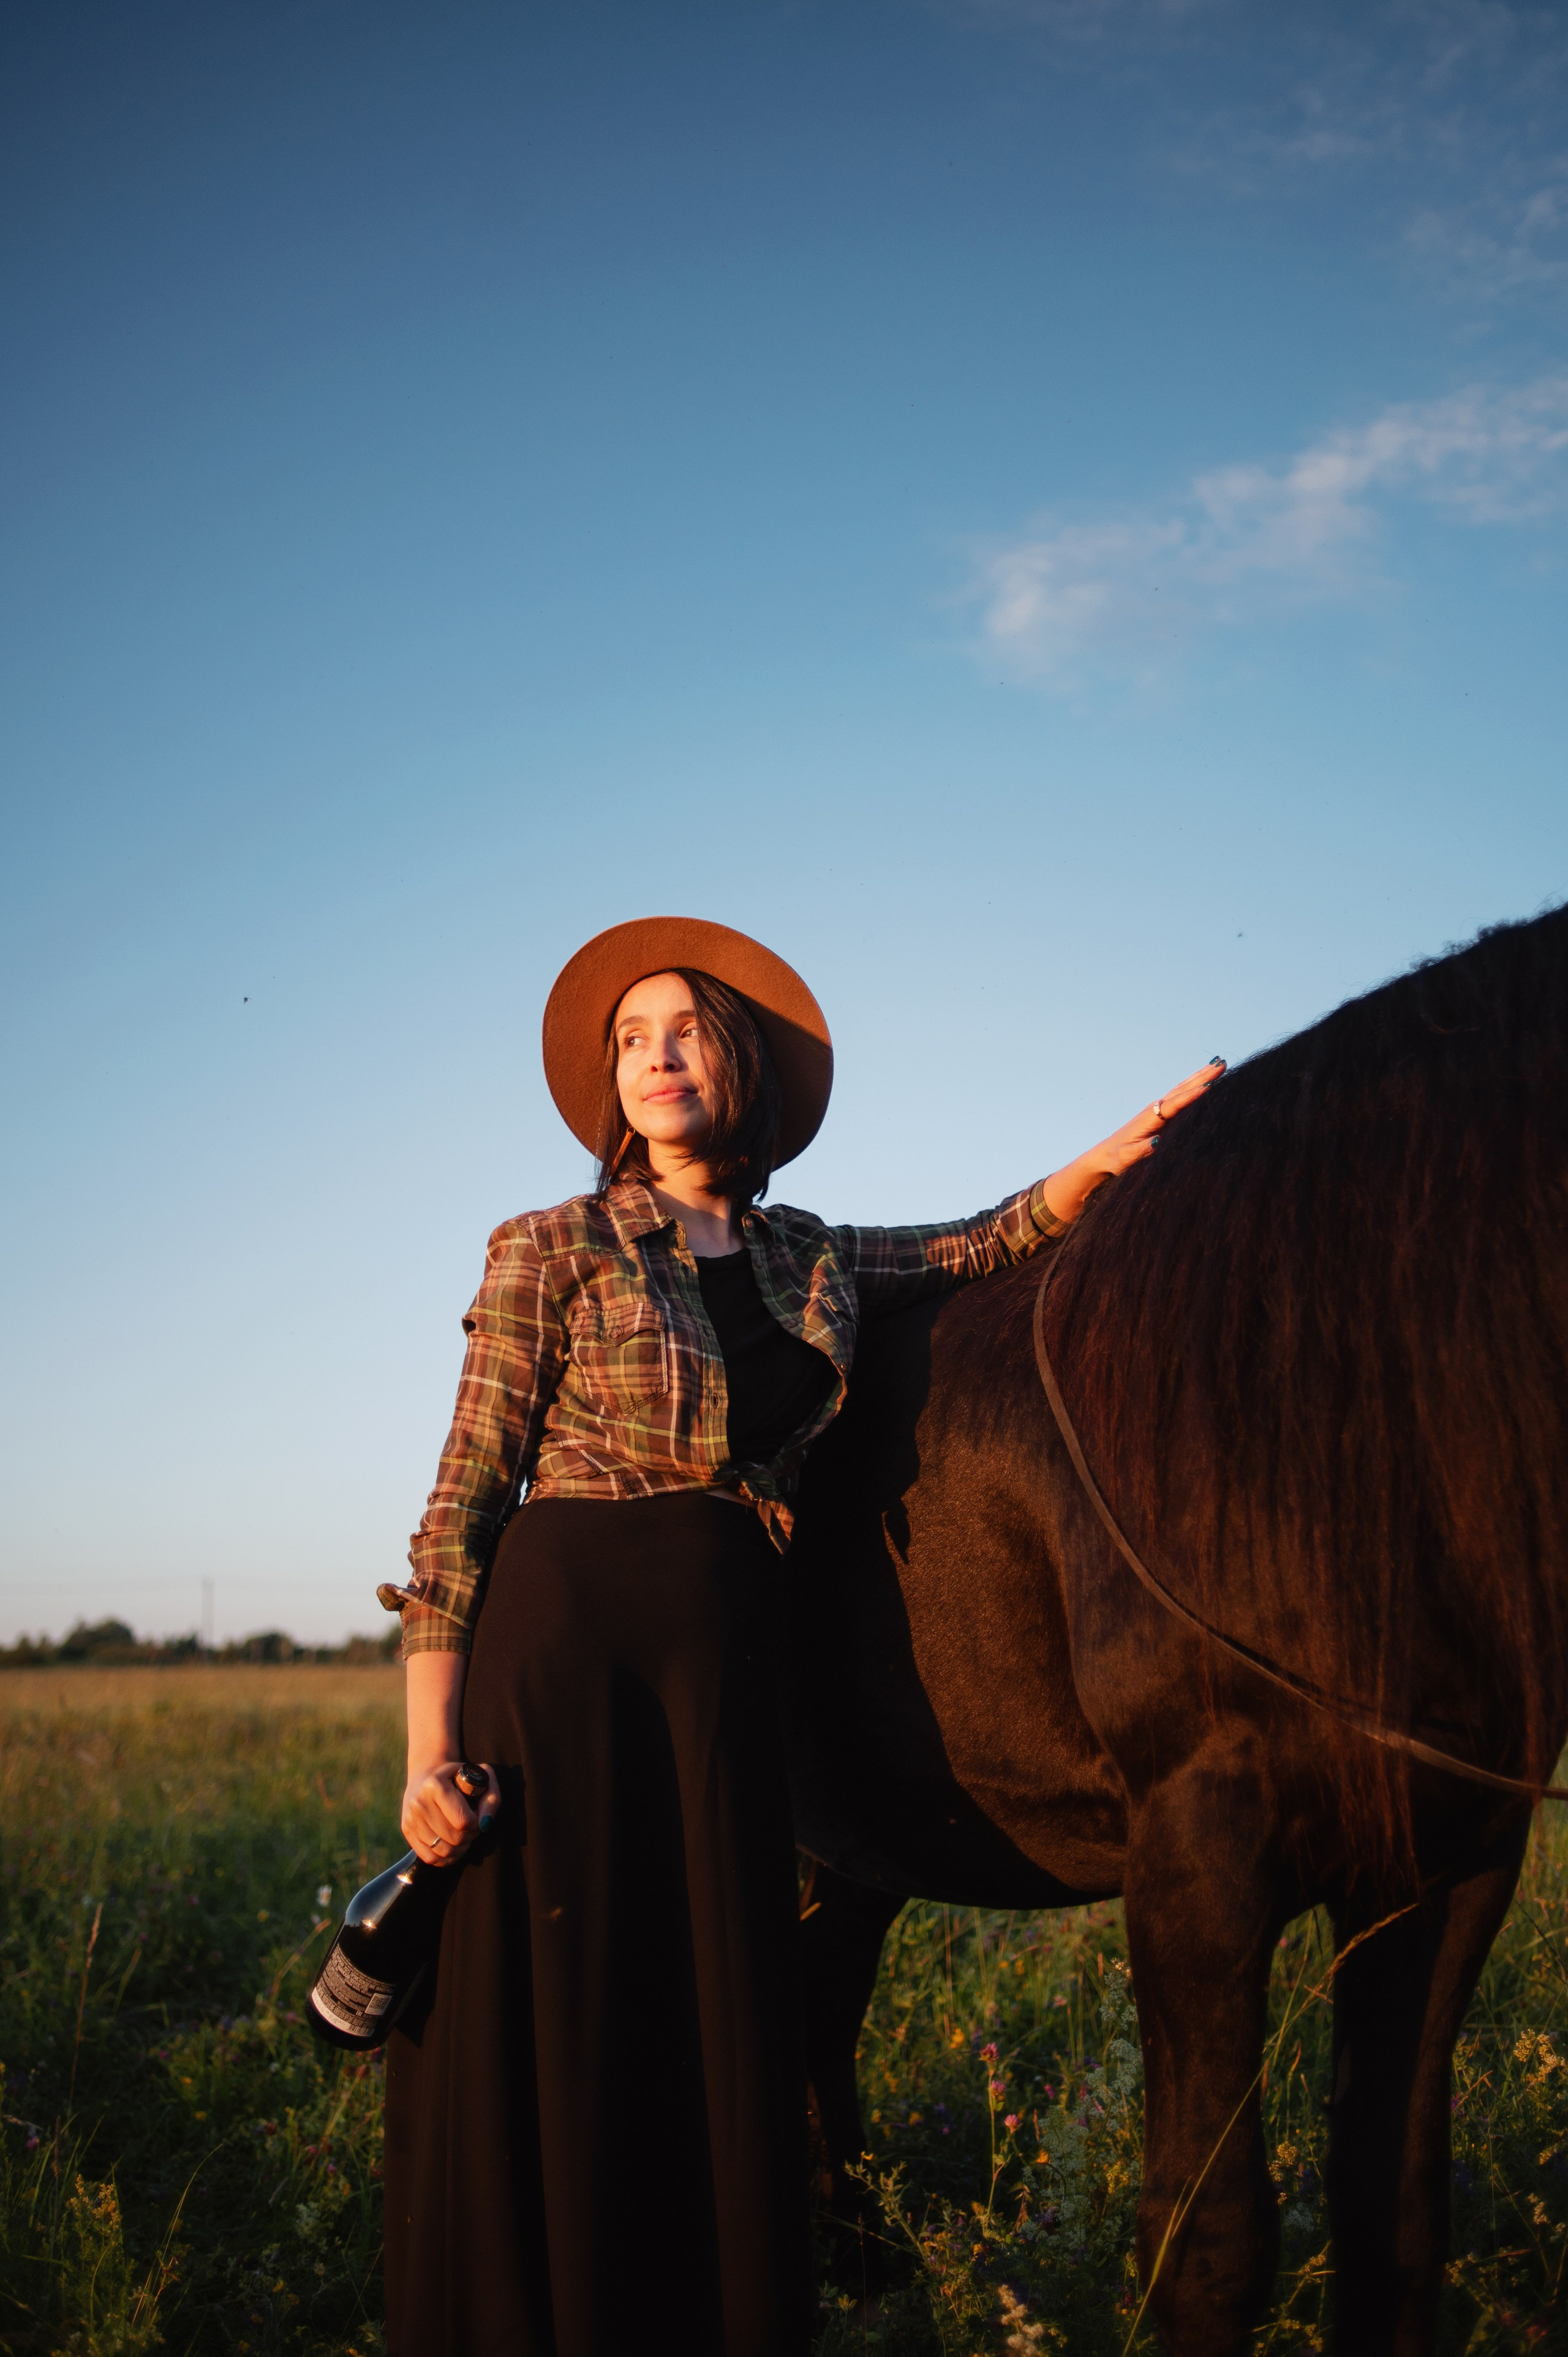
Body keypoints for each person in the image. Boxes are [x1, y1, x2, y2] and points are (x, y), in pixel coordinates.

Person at [377, 915, 1221, 2357]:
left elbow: (981, 1240)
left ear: (741, 1064)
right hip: (563, 1641)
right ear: (611, 1091)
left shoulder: (813, 1258)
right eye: (630, 1039)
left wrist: (1118, 1155)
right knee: (567, 1986)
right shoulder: (550, 1245)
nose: (656, 1057)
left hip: (721, 1660)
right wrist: (430, 1753)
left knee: (710, 1995)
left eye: (684, 1029)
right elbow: (460, 1509)